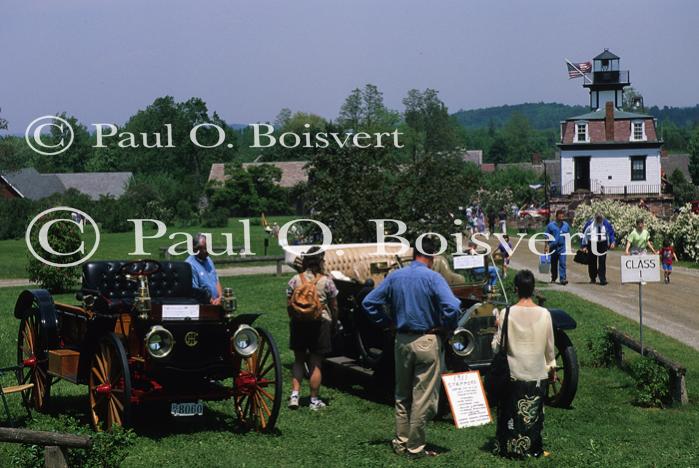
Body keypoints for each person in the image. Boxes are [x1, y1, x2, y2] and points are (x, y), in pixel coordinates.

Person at [362, 238, 461, 458]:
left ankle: (401, 441)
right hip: (427, 339)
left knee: (402, 394)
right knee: (423, 397)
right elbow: (452, 306)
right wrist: (447, 326)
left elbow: (369, 303)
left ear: (414, 253)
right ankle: (415, 447)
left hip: (402, 340)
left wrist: (386, 322)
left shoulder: (396, 276)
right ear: (432, 257)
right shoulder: (433, 278)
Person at [491, 270, 555, 459]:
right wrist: (551, 367)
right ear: (533, 289)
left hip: (513, 372)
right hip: (536, 372)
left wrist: (496, 329)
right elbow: (549, 347)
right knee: (533, 414)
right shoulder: (545, 314)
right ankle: (532, 446)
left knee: (511, 412)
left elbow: (497, 347)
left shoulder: (506, 313)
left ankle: (509, 446)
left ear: (516, 289)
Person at [286, 246, 338, 411]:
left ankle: (295, 395)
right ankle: (314, 400)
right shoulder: (326, 281)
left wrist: (294, 318)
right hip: (320, 323)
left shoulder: (295, 279)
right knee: (315, 362)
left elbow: (288, 302)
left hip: (298, 323)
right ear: (320, 261)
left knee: (299, 360)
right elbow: (334, 305)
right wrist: (334, 322)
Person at [186, 233, 223, 304]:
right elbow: (196, 290)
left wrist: (220, 297)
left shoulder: (208, 259)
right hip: (204, 305)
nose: (207, 250)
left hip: (217, 302)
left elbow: (216, 280)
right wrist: (213, 303)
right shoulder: (190, 265)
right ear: (195, 249)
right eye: (205, 248)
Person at [581, 213, 616, 285]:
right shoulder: (590, 223)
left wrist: (612, 242)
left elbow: (611, 233)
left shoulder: (606, 223)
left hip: (603, 243)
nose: (599, 220)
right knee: (592, 261)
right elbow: (584, 234)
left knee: (602, 261)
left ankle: (602, 279)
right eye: (598, 218)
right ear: (595, 218)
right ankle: (593, 278)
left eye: (600, 219)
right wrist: (584, 246)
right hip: (592, 243)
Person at [544, 209, 570, 285]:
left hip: (562, 247)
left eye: (563, 215)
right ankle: (554, 277)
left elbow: (568, 235)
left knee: (562, 263)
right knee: (554, 263)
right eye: (560, 214)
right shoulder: (551, 225)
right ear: (556, 216)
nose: (562, 216)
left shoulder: (566, 225)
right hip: (553, 247)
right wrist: (546, 246)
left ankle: (563, 279)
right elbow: (546, 236)